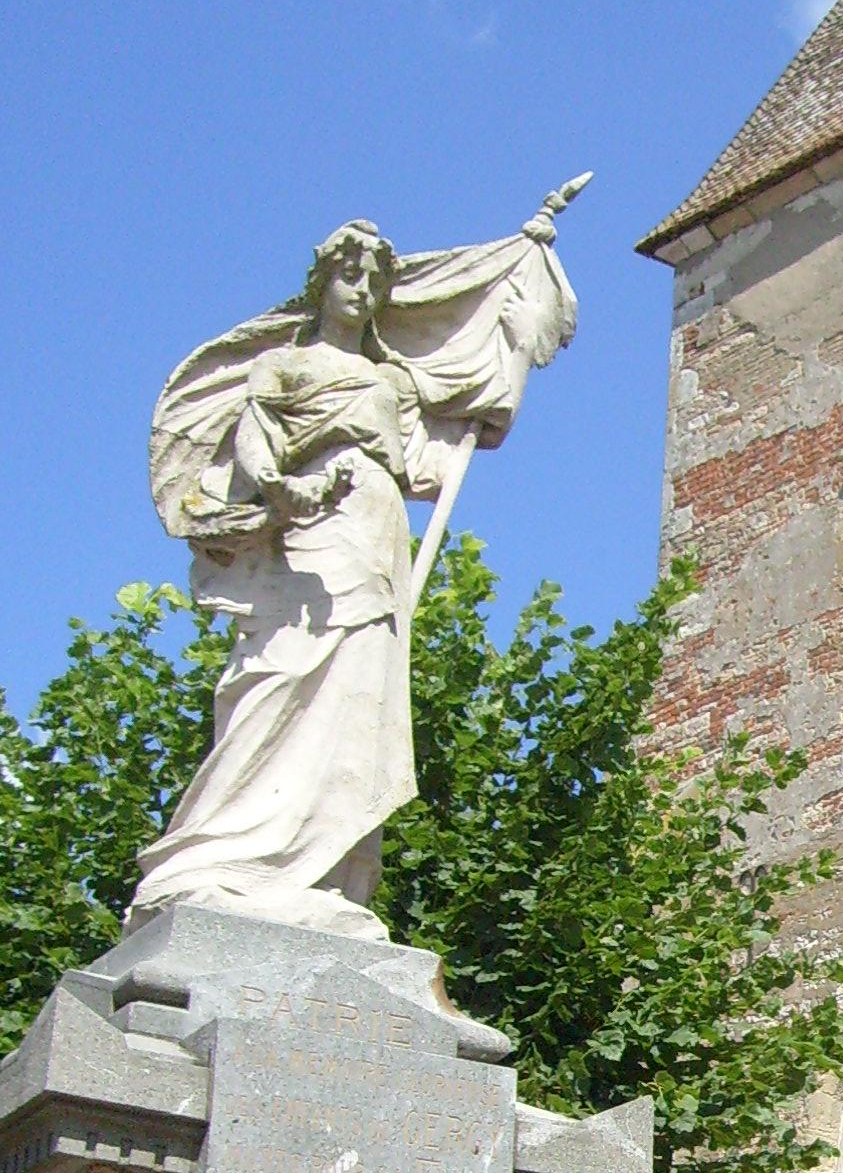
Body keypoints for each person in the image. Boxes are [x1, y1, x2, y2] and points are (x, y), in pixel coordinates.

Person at [134, 186, 582, 938]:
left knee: (357, 693)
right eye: (350, 274)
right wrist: (283, 485)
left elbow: (422, 468)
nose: (363, 288)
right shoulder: (284, 365)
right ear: (323, 282)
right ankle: (226, 852)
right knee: (278, 675)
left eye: (376, 279)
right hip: (307, 527)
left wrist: (499, 362)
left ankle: (323, 869)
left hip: (376, 531)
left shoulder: (389, 381)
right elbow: (254, 439)